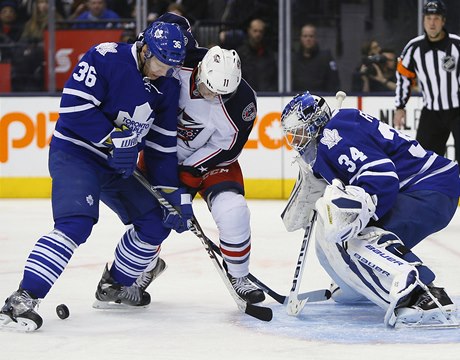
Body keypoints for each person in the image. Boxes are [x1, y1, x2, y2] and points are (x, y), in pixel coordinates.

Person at [0, 21, 192, 331]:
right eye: (161, 63)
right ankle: (21, 299)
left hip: (119, 166)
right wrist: (114, 140)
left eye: (173, 66)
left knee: (156, 222)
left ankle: (114, 285)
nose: (165, 71)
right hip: (76, 155)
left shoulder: (168, 85)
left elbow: (160, 146)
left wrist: (172, 194)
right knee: (76, 224)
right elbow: (73, 108)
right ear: (145, 50)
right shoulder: (105, 57)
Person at [119, 12, 265, 305]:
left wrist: (187, 178)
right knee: (149, 221)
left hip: (211, 162)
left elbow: (226, 149)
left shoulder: (242, 103)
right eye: (208, 87)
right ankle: (142, 270)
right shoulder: (177, 63)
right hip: (161, 156)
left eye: (220, 93)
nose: (211, 95)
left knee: (233, 211)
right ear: (200, 71)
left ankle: (239, 274)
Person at [280, 91, 459, 327]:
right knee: (336, 228)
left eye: (299, 132)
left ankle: (425, 294)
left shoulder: (333, 137)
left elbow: (382, 178)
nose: (295, 140)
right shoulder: (336, 130)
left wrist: (364, 221)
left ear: (315, 124)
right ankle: (356, 285)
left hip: (429, 188)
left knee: (356, 234)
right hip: (429, 186)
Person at [394, 0, 460, 161]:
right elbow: (403, 76)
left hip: (458, 110)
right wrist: (400, 106)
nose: (432, 23)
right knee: (424, 160)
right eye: (428, 18)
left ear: (443, 21)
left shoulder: (457, 45)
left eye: (436, 18)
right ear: (423, 20)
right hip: (431, 112)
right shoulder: (414, 47)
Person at [291, 23, 340, 93]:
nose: (308, 39)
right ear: (300, 38)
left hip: (321, 99)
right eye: (305, 36)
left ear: (315, 38)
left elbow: (334, 83)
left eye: (311, 36)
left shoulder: (326, 58)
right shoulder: (293, 60)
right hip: (298, 99)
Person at [237, 18, 277, 92]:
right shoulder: (240, 55)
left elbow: (274, 80)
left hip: (267, 97)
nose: (258, 34)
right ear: (249, 31)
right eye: (255, 31)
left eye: (260, 31)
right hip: (247, 97)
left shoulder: (269, 56)